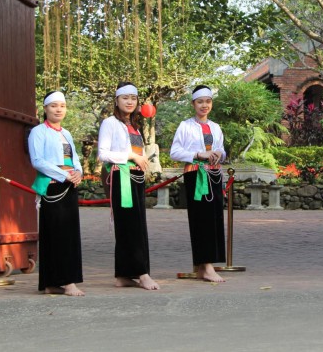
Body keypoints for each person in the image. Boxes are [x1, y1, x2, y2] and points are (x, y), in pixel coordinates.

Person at [97, 82, 159, 290]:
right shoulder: (110, 123)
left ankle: (123, 275)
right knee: (130, 226)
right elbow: (103, 154)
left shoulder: (134, 125)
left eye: (133, 98)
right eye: (125, 98)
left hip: (136, 178)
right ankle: (142, 274)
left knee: (136, 225)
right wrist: (132, 155)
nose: (130, 101)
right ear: (116, 100)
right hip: (121, 177)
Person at [27, 91, 85, 296]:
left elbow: (75, 157)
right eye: (53, 106)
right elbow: (37, 161)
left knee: (69, 234)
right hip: (53, 186)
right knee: (56, 235)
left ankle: (55, 283)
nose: (58, 109)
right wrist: (64, 174)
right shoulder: (38, 132)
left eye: (62, 105)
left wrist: (78, 172)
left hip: (69, 185)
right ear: (45, 109)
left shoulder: (66, 133)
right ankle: (63, 282)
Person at [169, 85, 227, 283]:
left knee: (215, 220)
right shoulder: (185, 126)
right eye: (200, 101)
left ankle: (204, 266)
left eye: (208, 101)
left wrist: (220, 153)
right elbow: (174, 152)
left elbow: (221, 149)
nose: (204, 105)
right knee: (201, 221)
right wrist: (197, 154)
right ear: (193, 103)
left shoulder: (216, 127)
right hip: (196, 176)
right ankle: (206, 266)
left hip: (214, 176)